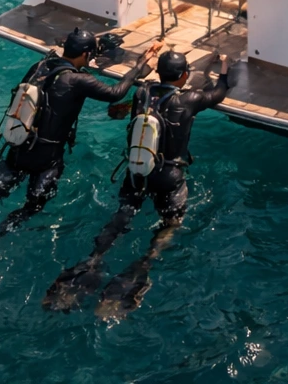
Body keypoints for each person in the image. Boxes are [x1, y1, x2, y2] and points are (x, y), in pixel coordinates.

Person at [42, 49, 231, 318]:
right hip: (168, 178)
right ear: (184, 75)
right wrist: (223, 67)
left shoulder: (143, 93)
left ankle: (93, 260)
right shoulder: (189, 100)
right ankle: (144, 263)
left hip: (136, 174)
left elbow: (133, 98)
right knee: (171, 224)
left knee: (123, 215)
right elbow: (219, 91)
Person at [0, 31, 161, 248]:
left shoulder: (39, 67)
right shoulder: (78, 80)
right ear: (86, 55)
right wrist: (141, 63)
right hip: (46, 159)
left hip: (18, 148)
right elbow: (115, 93)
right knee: (34, 205)